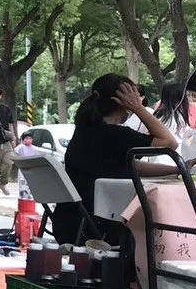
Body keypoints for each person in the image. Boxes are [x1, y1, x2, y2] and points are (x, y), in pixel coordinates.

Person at [54, 74, 178, 246]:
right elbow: (170, 143)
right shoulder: (115, 135)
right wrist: (139, 109)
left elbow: (130, 164)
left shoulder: (85, 131)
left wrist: (175, 170)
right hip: (102, 225)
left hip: (72, 222)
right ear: (123, 101)